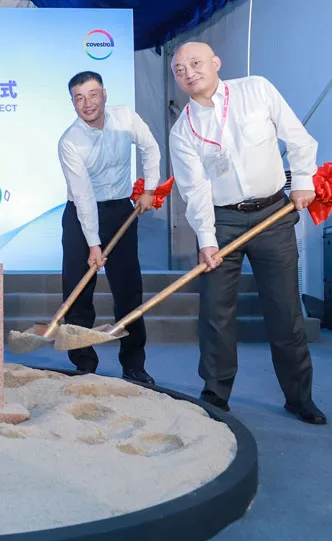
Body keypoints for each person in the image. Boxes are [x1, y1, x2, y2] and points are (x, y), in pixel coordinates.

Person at [169, 42, 325, 424]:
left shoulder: (257, 89)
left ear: (216, 63)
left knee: (284, 310)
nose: (188, 72)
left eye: (195, 63)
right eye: (179, 69)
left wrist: (303, 180)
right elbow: (195, 191)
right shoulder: (182, 130)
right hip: (223, 222)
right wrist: (207, 239)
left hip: (274, 213)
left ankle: (298, 396)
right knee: (216, 312)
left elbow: (299, 138)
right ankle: (216, 393)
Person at [57, 71, 161, 384]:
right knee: (77, 292)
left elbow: (151, 148)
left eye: (91, 94)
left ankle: (134, 363)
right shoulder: (70, 141)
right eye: (78, 98)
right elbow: (84, 197)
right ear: (72, 102)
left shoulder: (125, 118)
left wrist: (150, 189)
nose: (86, 103)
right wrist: (93, 244)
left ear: (104, 93)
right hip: (80, 217)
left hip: (120, 210)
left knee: (129, 291)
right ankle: (84, 364)